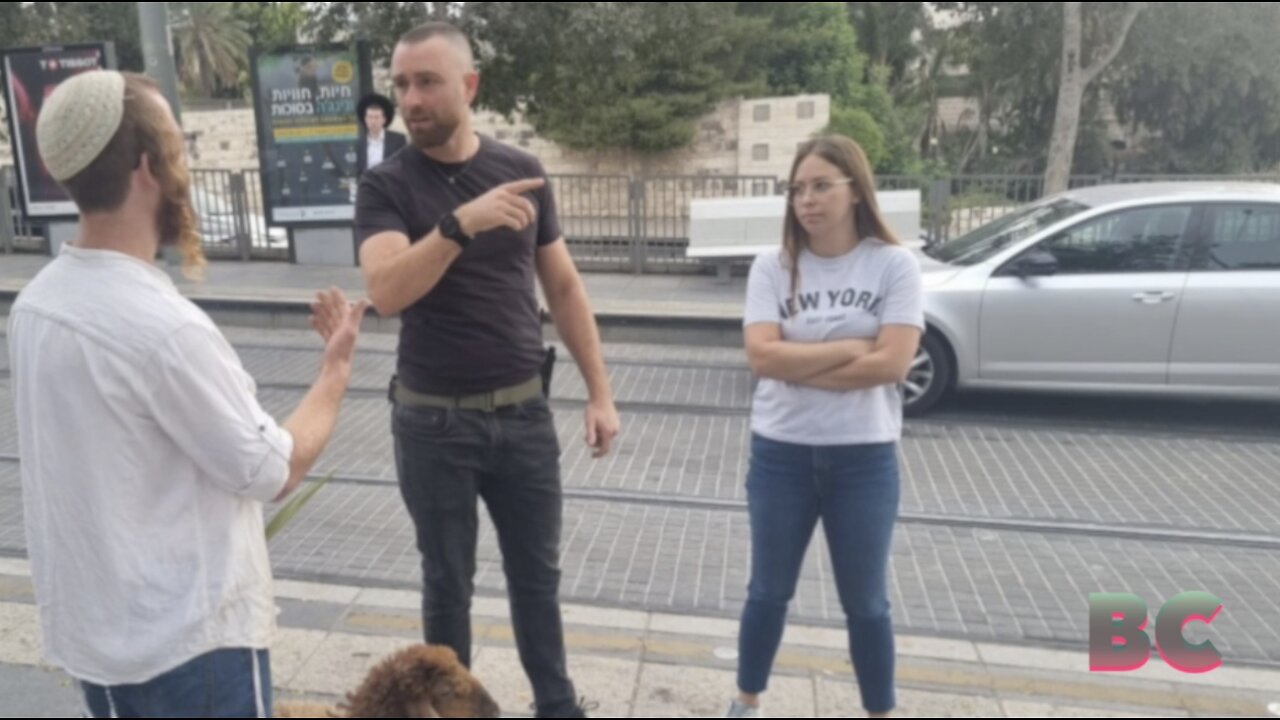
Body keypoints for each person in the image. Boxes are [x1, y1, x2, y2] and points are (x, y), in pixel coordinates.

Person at [8, 69, 368, 718]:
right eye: (180, 148)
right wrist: (335, 368)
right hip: (190, 651)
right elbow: (274, 469)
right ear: (148, 169)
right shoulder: (162, 328)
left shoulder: (37, 306)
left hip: (102, 647)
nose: (187, 167)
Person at [354, 21, 620, 720]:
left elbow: (563, 288)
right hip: (432, 421)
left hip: (525, 413)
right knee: (448, 585)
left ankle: (556, 706)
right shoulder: (386, 187)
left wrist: (600, 392)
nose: (411, 99)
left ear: (469, 86)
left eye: (428, 82)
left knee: (538, 578)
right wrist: (456, 225)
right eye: (402, 84)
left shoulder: (520, 171)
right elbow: (385, 290)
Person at [725, 135, 924, 719]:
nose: (805, 201)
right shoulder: (773, 267)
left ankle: (880, 711)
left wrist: (803, 362)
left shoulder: (893, 264)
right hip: (781, 455)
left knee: (866, 604)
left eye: (820, 186)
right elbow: (762, 359)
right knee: (767, 592)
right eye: (797, 190)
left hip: (863, 459)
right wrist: (851, 348)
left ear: (856, 190)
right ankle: (746, 701)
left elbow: (892, 364)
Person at [357, 93, 408, 173]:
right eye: (370, 117)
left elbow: (403, 166)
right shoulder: (360, 142)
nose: (373, 121)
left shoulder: (398, 140)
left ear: (383, 120)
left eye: (376, 117)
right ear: (365, 120)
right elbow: (359, 170)